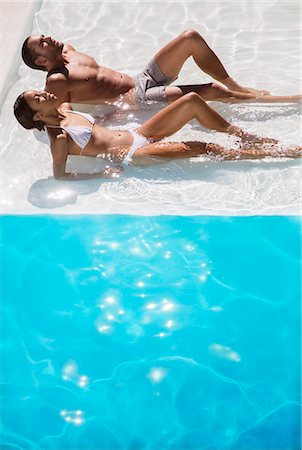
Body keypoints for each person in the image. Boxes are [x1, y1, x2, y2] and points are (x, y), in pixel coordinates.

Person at [13, 89, 301, 180]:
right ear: (37, 116)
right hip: (132, 155)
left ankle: (243, 134)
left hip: (136, 133)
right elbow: (60, 175)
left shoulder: (65, 108)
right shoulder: (60, 138)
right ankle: (276, 153)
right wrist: (102, 175)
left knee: (190, 102)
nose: (43, 93)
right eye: (37, 98)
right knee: (203, 146)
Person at [21, 31, 302, 109]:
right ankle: (285, 101)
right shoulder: (56, 81)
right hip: (138, 100)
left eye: (43, 36)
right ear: (40, 62)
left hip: (140, 79)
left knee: (190, 38)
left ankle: (236, 85)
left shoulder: (68, 49)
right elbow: (58, 114)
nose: (48, 39)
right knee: (213, 92)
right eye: (42, 44)